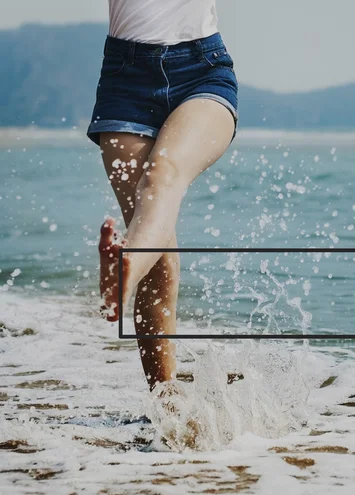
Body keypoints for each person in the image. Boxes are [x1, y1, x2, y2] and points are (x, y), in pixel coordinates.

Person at [86, 0, 238, 392]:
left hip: (202, 70)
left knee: (162, 175)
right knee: (161, 262)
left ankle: (122, 273)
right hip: (125, 80)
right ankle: (166, 403)